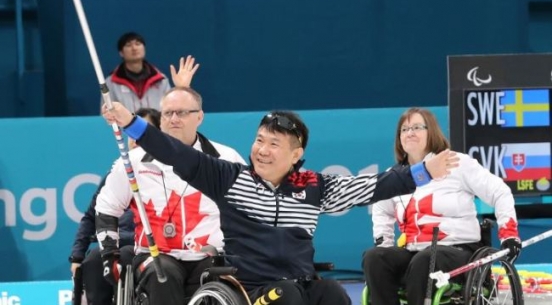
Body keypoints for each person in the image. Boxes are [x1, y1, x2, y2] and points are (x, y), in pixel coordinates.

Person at [101, 102, 459, 305]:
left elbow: (372, 185)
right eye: (259, 140)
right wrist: (131, 123)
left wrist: (421, 172)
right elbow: (175, 152)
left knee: (333, 294)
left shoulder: (315, 186)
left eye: (274, 144)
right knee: (285, 295)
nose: (262, 150)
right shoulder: (230, 178)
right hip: (249, 288)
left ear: (296, 154)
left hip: (301, 282)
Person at [95, 87, 246, 305]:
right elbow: (107, 206)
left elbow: (249, 206)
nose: (174, 119)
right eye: (167, 113)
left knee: (220, 278)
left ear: (200, 117)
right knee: (162, 275)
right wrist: (109, 256)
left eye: (182, 113)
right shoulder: (134, 161)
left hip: (211, 256)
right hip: (155, 256)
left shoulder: (226, 158)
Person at [361, 107, 522, 305]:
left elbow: (500, 192)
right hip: (414, 251)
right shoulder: (394, 176)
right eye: (404, 129)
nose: (410, 132)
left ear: (432, 132)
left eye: (417, 127)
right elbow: (381, 210)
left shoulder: (457, 163)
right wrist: (385, 244)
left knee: (425, 259)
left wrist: (509, 235)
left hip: (458, 251)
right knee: (375, 258)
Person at [69, 107, 161, 305]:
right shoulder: (118, 172)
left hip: (146, 245)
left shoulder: (164, 170)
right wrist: (76, 256)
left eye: (141, 131)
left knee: (127, 256)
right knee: (94, 258)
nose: (135, 139)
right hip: (113, 243)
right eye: (131, 133)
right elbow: (91, 216)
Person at [103, 31, 200, 111]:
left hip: (157, 131)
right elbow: (106, 113)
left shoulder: (161, 79)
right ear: (121, 53)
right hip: (126, 132)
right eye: (128, 45)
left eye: (138, 44)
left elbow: (172, 108)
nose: (134, 48)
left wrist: (182, 87)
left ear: (144, 48)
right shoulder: (111, 82)